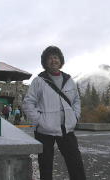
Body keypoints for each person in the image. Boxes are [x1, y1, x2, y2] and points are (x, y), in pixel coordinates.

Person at [22, 46, 86, 180]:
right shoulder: (39, 81)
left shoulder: (69, 80)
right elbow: (28, 103)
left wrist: (74, 117)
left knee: (76, 164)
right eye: (50, 58)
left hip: (66, 129)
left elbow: (76, 101)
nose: (53, 60)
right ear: (45, 62)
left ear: (60, 60)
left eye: (56, 57)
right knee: (45, 168)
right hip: (44, 131)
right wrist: (40, 121)